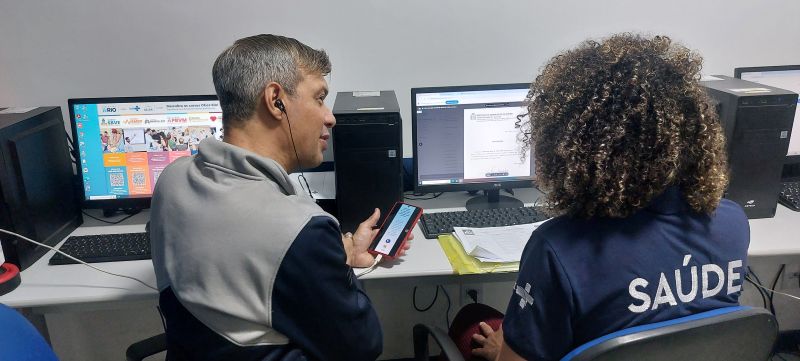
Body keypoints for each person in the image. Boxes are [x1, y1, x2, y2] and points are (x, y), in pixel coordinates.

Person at [470, 33, 749, 361]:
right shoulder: (732, 222)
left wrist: (500, 351)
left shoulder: (557, 249)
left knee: (470, 322)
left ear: (574, 144)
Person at [149, 34, 410, 361]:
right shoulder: (301, 229)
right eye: (319, 98)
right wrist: (336, 260)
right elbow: (363, 345)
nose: (329, 117)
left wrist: (329, 256)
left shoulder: (171, 180)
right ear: (276, 101)